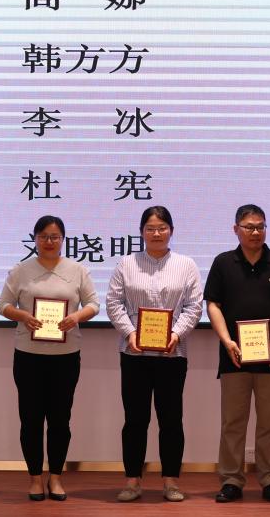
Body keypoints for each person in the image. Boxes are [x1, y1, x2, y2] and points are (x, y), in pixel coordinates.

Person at [204, 204, 270, 504]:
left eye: (261, 226)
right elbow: (213, 305)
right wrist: (227, 341)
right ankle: (231, 481)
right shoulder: (223, 263)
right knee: (232, 423)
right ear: (235, 229)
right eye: (249, 227)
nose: (255, 232)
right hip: (233, 357)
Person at [0, 215, 99, 501]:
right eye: (43, 236)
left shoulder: (77, 270)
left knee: (60, 421)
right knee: (30, 420)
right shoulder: (21, 270)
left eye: (54, 237)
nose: (49, 242)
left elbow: (94, 304)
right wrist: (21, 315)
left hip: (66, 357)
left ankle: (55, 477)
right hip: (28, 357)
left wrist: (77, 317)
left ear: (63, 239)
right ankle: (34, 479)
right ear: (35, 239)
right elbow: (2, 305)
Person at [106, 206, 203, 503]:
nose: (156, 233)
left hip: (173, 355)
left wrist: (176, 334)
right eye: (150, 228)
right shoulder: (127, 263)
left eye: (162, 228)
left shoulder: (186, 265)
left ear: (171, 231)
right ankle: (132, 481)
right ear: (141, 232)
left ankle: (171, 481)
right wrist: (130, 333)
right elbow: (113, 303)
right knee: (134, 420)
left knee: (171, 420)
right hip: (134, 354)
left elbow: (194, 307)